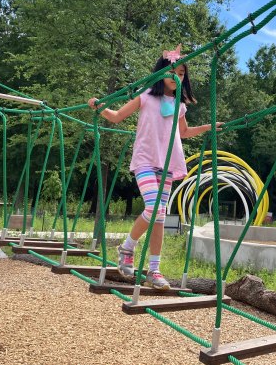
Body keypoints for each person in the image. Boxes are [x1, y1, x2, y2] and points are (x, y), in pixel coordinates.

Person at [88, 45, 219, 290]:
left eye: (181, 74)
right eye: (172, 73)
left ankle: (154, 270)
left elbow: (184, 132)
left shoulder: (180, 105)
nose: (176, 78)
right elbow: (117, 116)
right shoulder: (145, 96)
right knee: (154, 207)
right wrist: (100, 107)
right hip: (146, 160)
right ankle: (127, 247)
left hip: (168, 163)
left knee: (159, 218)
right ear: (161, 74)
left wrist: (207, 128)